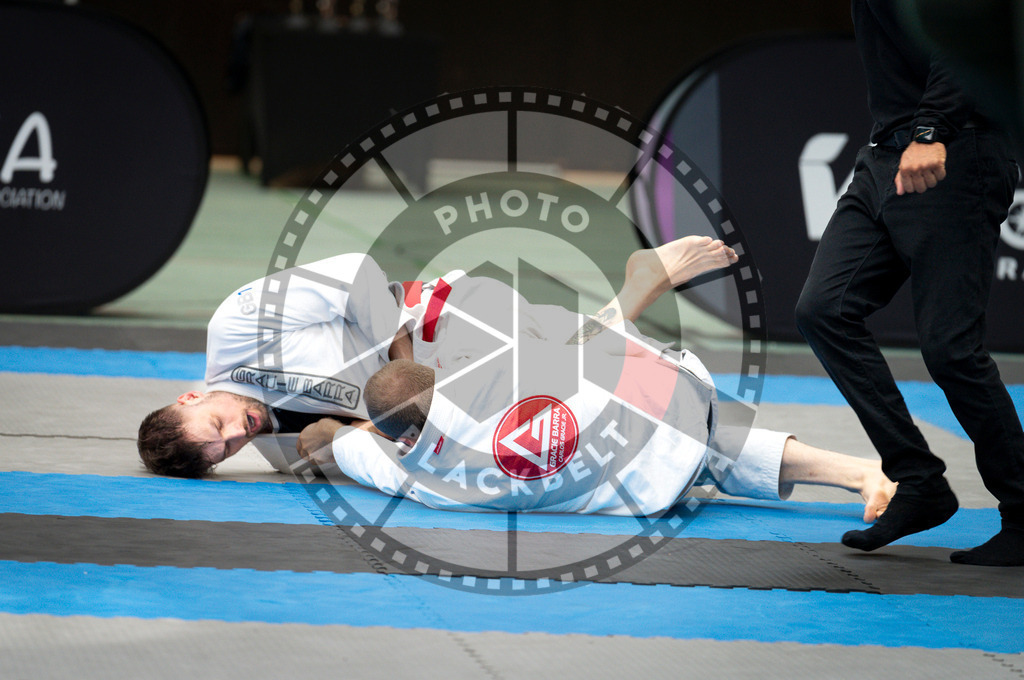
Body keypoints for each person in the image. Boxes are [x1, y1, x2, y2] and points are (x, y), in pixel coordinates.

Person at [294, 257, 894, 519]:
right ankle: (863, 473)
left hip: (646, 483)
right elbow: (590, 349)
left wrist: (328, 435)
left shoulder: (425, 481)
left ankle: (861, 475)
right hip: (665, 404)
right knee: (709, 436)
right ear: (440, 375)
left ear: (403, 439)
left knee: (713, 451)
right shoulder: (490, 370)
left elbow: (333, 444)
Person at [137, 235, 738, 477]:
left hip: (440, 322)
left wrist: (396, 374)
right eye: (226, 452)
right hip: (440, 393)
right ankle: (640, 296)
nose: (238, 436)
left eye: (217, 424)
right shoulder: (273, 449)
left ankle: (640, 292)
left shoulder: (236, 328)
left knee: (577, 371)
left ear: (192, 396)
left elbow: (354, 275)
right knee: (565, 401)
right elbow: (378, 445)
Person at [795, 0, 1024, 565]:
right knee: (824, 309)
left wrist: (931, 129)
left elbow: (967, 34)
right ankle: (918, 479)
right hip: (882, 155)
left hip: (951, 150)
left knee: (951, 349)